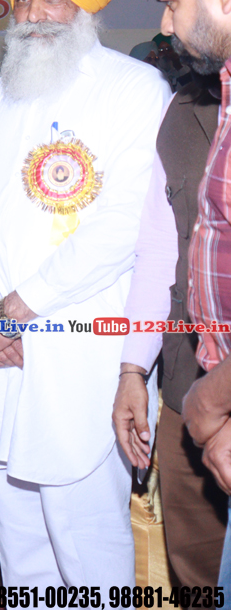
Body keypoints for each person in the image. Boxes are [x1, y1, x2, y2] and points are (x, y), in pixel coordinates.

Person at [0, 0, 170, 590]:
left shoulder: (136, 89)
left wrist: (19, 307)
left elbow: (124, 226)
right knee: (20, 551)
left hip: (81, 354)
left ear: (86, 3)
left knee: (89, 553)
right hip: (1, 356)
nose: (36, 14)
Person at [142, 0, 231, 587]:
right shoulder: (198, 103)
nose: (165, 26)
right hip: (190, 378)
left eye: (172, 3)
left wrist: (215, 396)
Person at [112, 73, 228, 586]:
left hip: (216, 393)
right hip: (187, 387)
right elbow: (160, 250)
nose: (165, 33)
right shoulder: (182, 109)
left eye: (175, 27)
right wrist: (134, 369)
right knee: (195, 571)